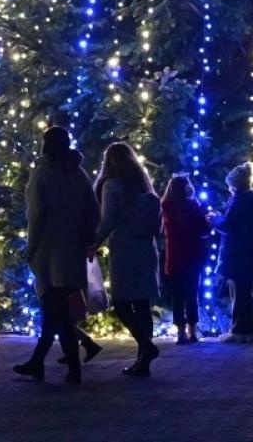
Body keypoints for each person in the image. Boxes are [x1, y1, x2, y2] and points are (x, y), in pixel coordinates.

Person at [14, 126, 100, 384]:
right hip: (71, 252)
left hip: (49, 252)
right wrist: (85, 236)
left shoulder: (43, 174)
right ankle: (43, 363)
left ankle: (60, 366)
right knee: (58, 312)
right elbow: (93, 210)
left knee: (55, 310)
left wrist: (31, 249)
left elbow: (36, 216)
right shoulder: (79, 173)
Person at [93, 141, 162, 376]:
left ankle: (147, 347)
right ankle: (143, 361)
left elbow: (108, 220)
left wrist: (94, 243)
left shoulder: (111, 185)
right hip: (146, 249)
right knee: (142, 304)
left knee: (122, 304)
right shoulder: (143, 185)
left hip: (124, 249)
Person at [211, 161, 253, 343]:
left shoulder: (239, 202)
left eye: (230, 186)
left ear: (236, 186)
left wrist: (215, 220)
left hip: (235, 253)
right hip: (247, 251)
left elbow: (228, 225)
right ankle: (248, 330)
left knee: (238, 292)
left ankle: (239, 330)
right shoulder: (252, 201)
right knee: (244, 291)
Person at [160, 173, 210, 344]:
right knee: (191, 294)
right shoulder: (193, 206)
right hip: (192, 256)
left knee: (177, 296)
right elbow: (205, 230)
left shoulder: (165, 206)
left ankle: (180, 332)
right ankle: (192, 332)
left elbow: (159, 230)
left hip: (174, 256)